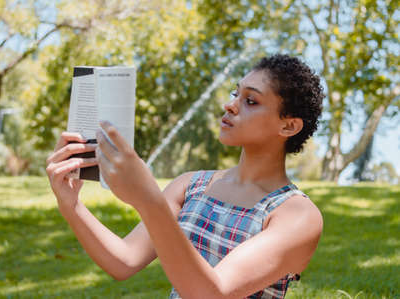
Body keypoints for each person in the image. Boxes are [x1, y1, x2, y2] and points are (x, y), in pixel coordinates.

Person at [46, 54, 325, 298]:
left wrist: (148, 199)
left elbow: (212, 293)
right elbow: (124, 261)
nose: (230, 105)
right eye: (235, 93)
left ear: (288, 126)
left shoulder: (297, 215)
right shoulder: (192, 185)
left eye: (250, 101)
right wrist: (71, 205)